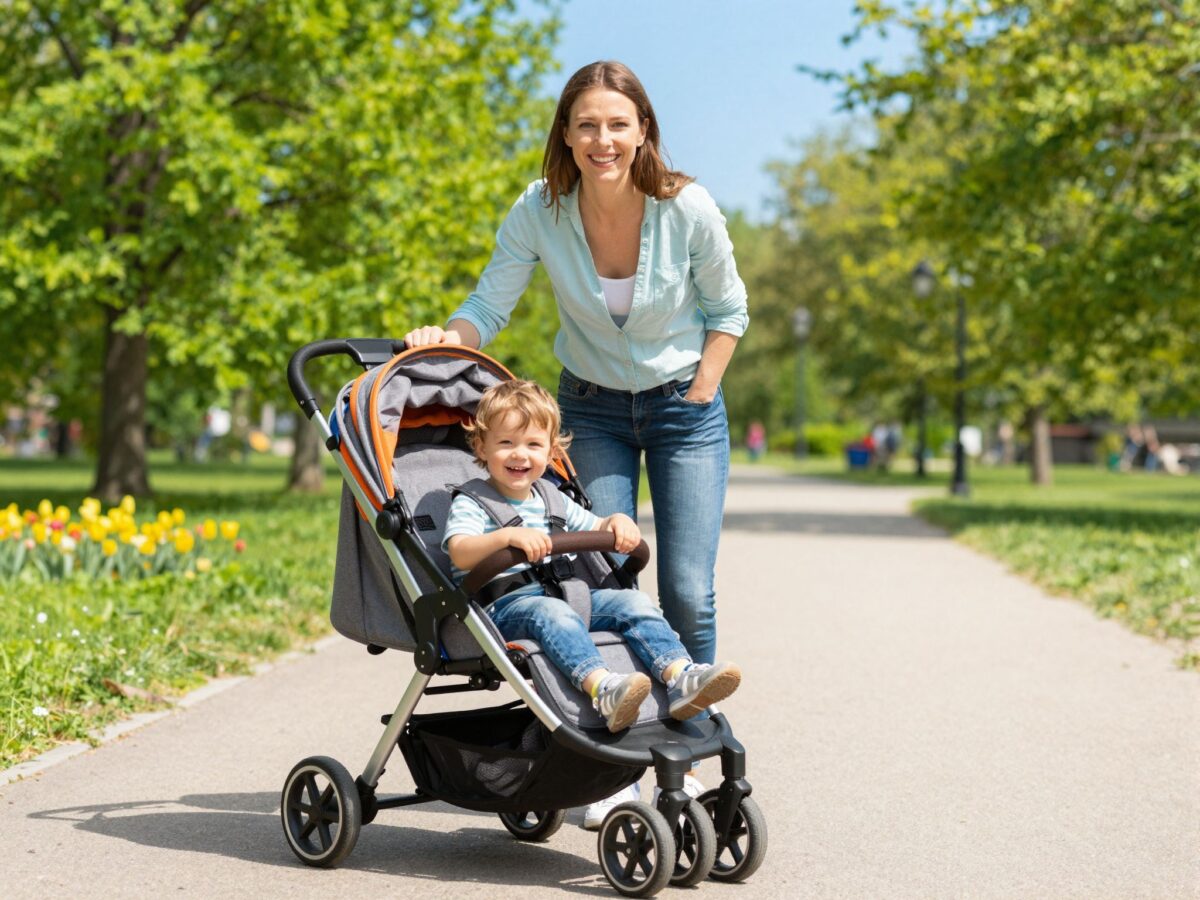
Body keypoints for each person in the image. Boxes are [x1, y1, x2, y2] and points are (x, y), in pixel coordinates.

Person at [405, 60, 748, 822]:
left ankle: (682, 750)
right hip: (590, 410)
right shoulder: (541, 208)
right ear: (566, 132)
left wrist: (698, 391)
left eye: (618, 124)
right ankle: (613, 766)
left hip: (684, 409)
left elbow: (729, 310)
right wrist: (443, 338)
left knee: (687, 584)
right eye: (587, 124)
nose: (603, 139)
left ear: (643, 130)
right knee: (598, 574)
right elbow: (489, 302)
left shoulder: (686, 207)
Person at [443, 380, 742, 736]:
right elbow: (459, 551)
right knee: (549, 612)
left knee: (632, 601)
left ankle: (679, 674)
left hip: (569, 597)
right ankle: (603, 688)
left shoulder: (552, 497)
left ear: (551, 451)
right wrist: (506, 537)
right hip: (508, 607)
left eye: (533, 444)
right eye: (505, 443)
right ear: (481, 446)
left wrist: (615, 522)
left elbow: (596, 526)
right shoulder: (473, 501)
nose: (520, 454)